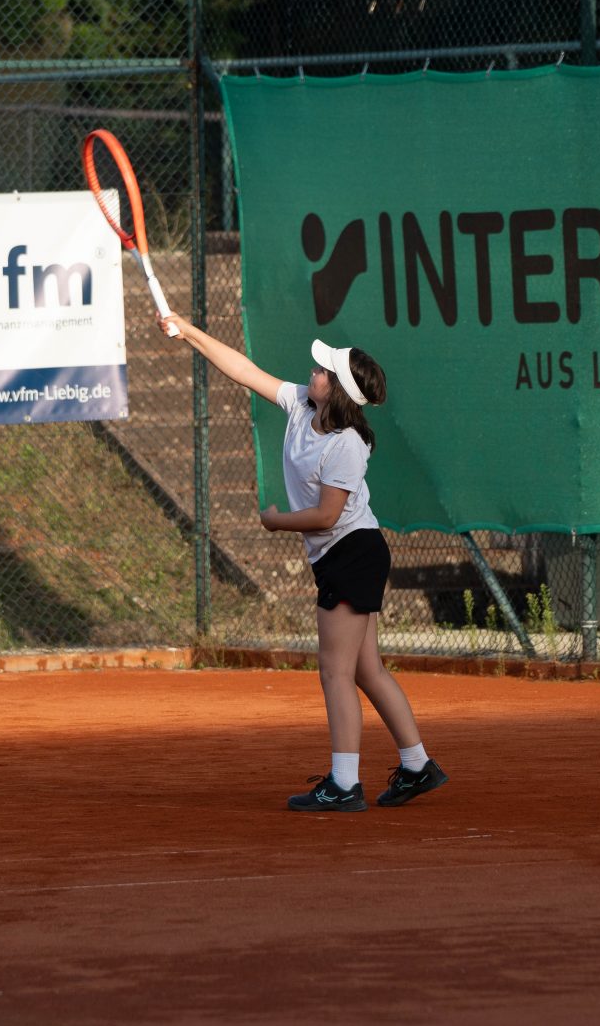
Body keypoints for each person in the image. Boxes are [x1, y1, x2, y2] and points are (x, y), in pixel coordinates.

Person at [159, 313, 448, 813]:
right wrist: (188, 330)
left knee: (334, 672)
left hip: (352, 553)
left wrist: (276, 522)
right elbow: (244, 371)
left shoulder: (347, 444)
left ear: (336, 391)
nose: (312, 371)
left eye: (322, 371)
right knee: (366, 669)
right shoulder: (301, 404)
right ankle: (417, 765)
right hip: (348, 553)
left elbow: (327, 516)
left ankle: (344, 784)